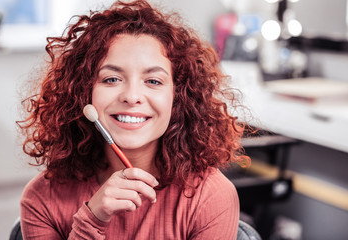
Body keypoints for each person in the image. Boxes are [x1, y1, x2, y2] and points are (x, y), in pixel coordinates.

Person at [18, 0, 250, 239]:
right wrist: (92, 220)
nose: (131, 96)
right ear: (82, 93)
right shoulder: (41, 198)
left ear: (178, 98)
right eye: (111, 79)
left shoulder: (210, 195)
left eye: (153, 81)